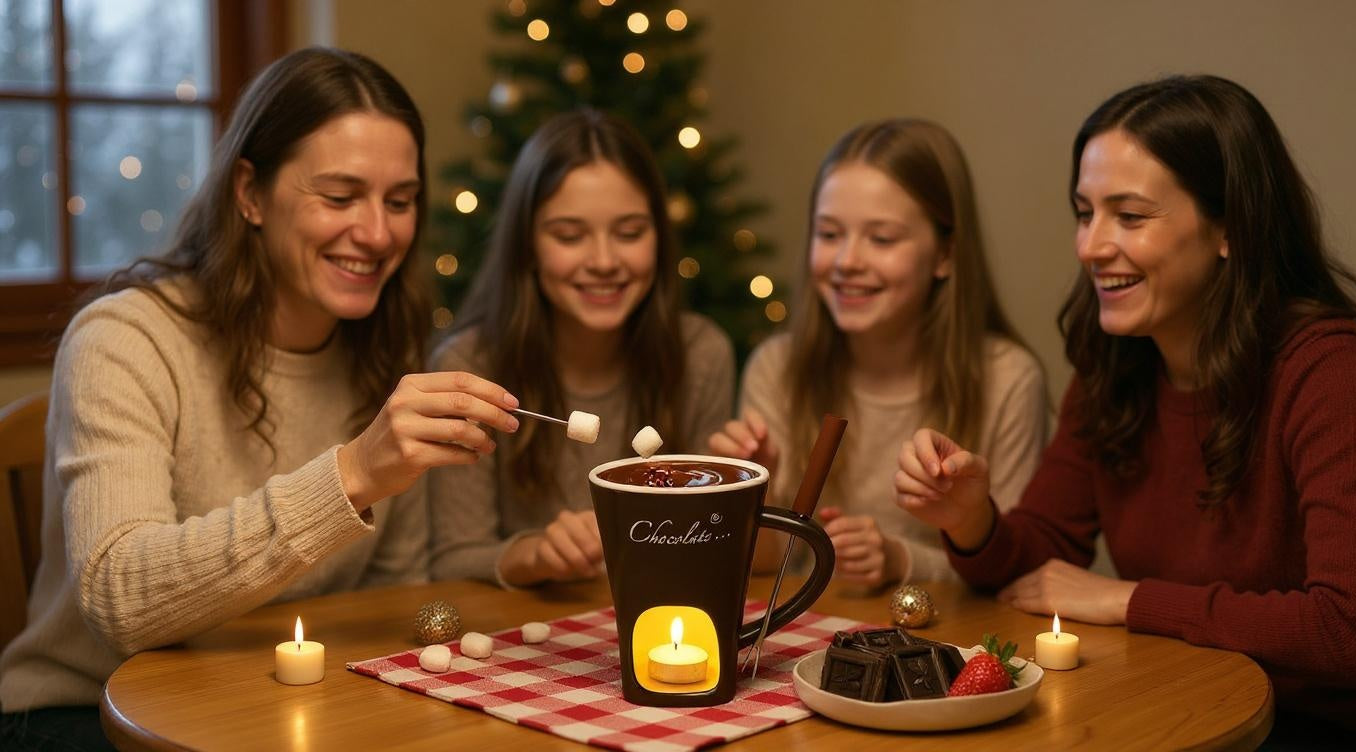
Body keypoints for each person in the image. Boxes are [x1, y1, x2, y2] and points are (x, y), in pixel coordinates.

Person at [0, 48, 519, 749]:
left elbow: (392, 596)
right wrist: (352, 475)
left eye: (399, 201)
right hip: (85, 716)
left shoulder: (385, 349)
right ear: (249, 193)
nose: (377, 233)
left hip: (275, 708)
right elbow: (119, 600)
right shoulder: (125, 339)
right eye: (339, 197)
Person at [896, 75, 1356, 745]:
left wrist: (1125, 599)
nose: (1091, 246)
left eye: (1129, 216)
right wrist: (972, 520)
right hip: (1175, 701)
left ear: (1229, 229)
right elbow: (1033, 574)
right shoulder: (1118, 362)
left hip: (1317, 730)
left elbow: (1353, 631)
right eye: (1084, 212)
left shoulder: (1332, 370)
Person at [709, 119, 1049, 588]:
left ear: (946, 253)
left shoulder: (1005, 378)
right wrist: (751, 499)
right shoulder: (778, 368)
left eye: (882, 239)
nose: (848, 261)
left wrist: (899, 560)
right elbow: (765, 564)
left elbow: (1013, 566)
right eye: (829, 235)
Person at [428, 109, 734, 588]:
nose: (604, 261)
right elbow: (452, 560)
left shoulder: (700, 354)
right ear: (527, 245)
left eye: (630, 233)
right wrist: (535, 555)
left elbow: (717, 538)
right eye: (570, 236)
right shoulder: (471, 368)